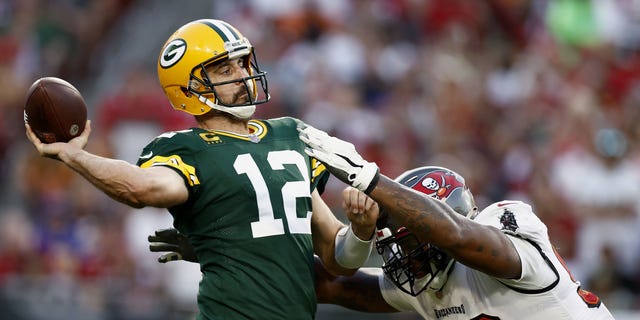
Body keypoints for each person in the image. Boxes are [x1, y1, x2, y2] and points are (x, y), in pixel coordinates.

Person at [24, 19, 376, 320]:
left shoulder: (290, 135)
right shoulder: (186, 148)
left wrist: (359, 231)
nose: (243, 76)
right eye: (226, 69)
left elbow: (337, 260)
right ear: (188, 88)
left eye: (243, 63)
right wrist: (75, 156)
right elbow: (145, 188)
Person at [298, 125, 615, 319]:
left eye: (410, 240)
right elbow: (328, 284)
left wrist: (367, 179)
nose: (405, 256)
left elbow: (458, 236)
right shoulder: (424, 285)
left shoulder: (507, 220)